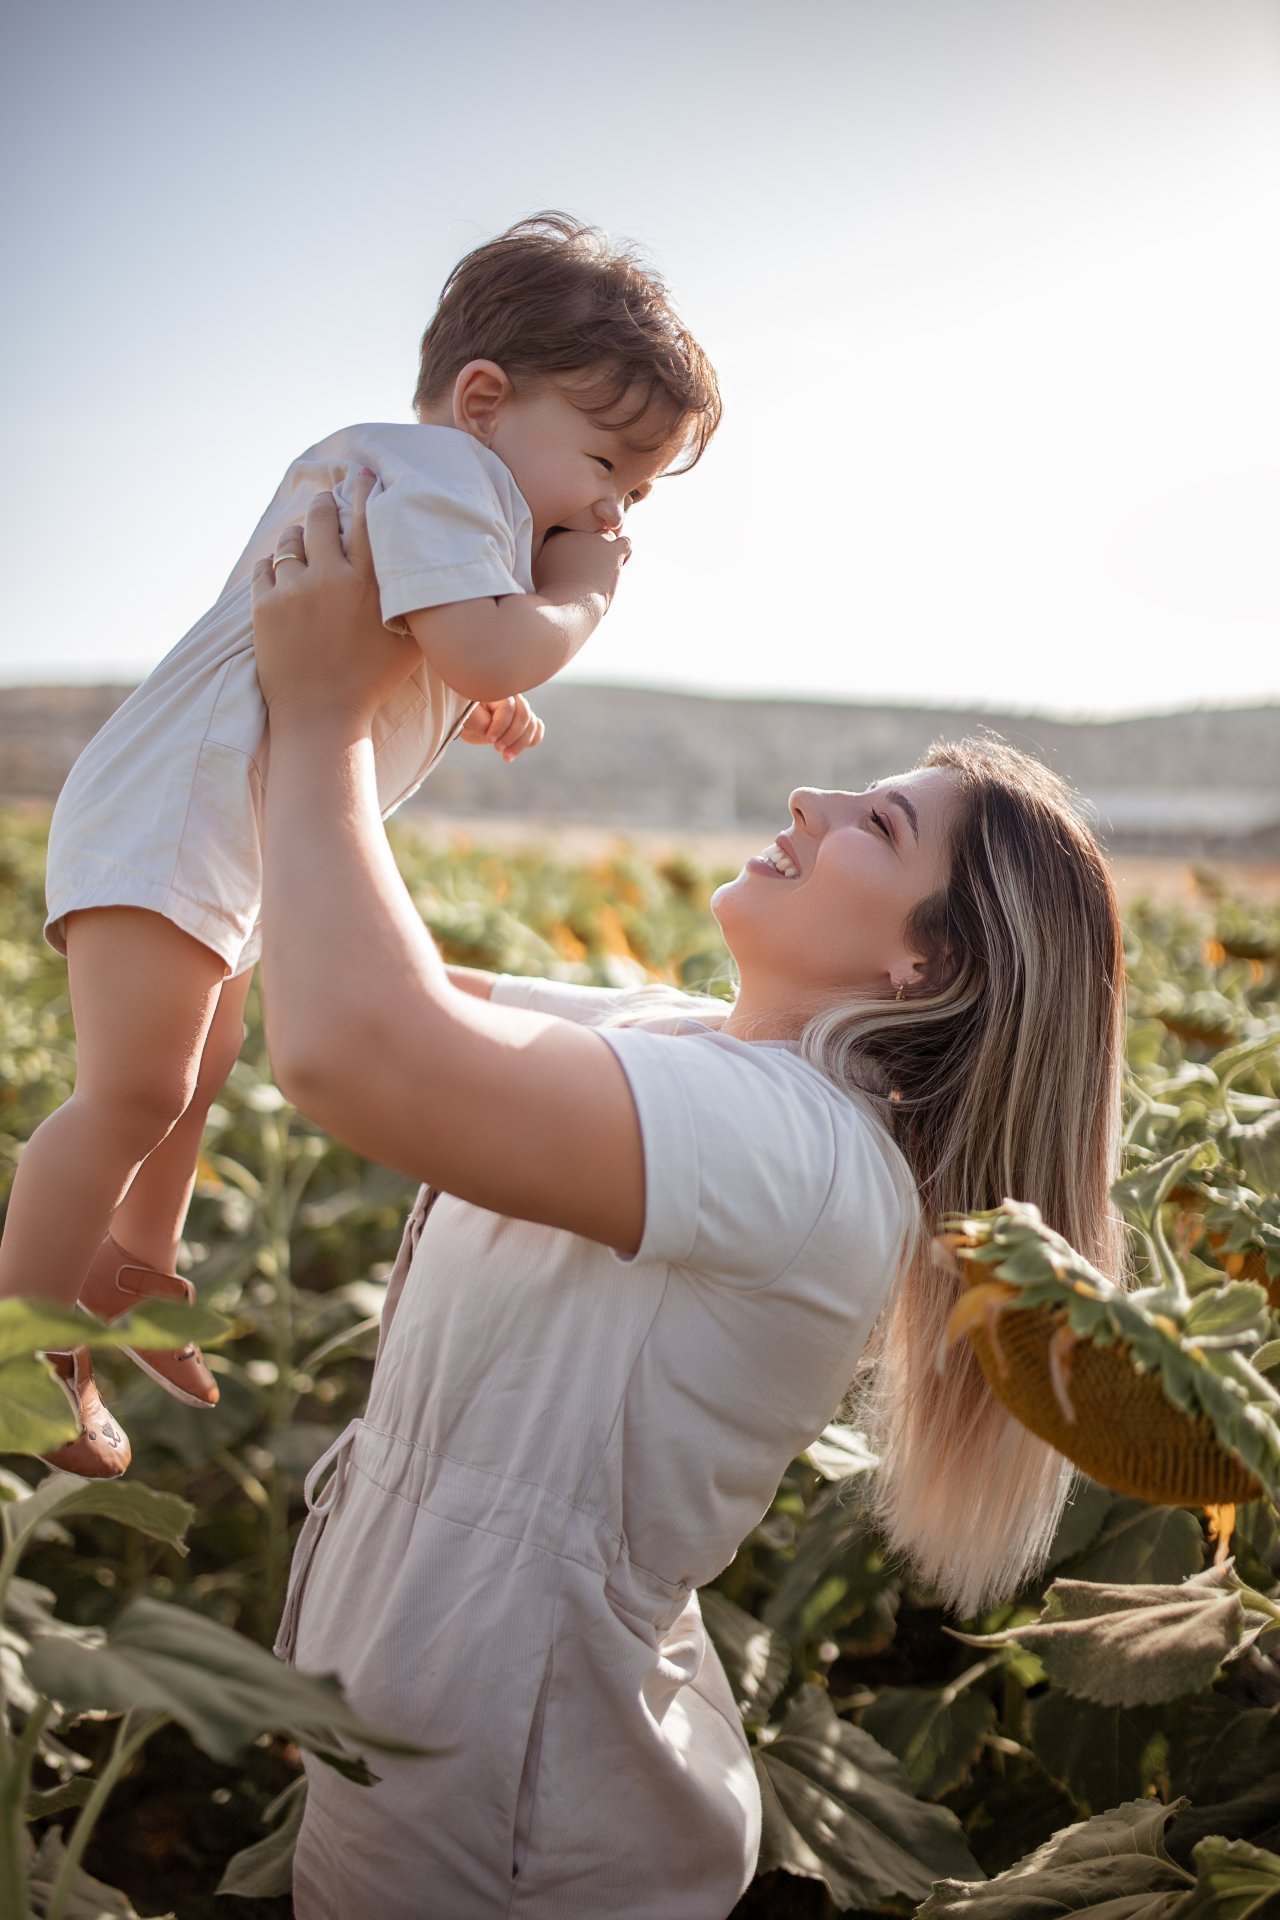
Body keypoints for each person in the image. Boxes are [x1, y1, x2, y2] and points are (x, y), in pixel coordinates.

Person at [249, 480, 1126, 1919]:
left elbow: (355, 1047)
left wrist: (326, 713)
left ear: (924, 965)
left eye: (877, 824)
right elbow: (347, 961)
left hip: (514, 1832)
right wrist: (407, 693)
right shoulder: (692, 1044)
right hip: (441, 1759)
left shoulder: (797, 1150)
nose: (810, 801)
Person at [0, 213, 720, 1477]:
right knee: (132, 1087)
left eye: (636, 495)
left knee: (200, 1054)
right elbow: (488, 638)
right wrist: (581, 595)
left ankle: (133, 1268)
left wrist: (470, 682)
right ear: (485, 400)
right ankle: (22, 1351)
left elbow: (439, 647)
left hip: (212, 818)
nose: (612, 511)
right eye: (608, 466)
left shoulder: (447, 500)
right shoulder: (441, 472)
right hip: (183, 806)